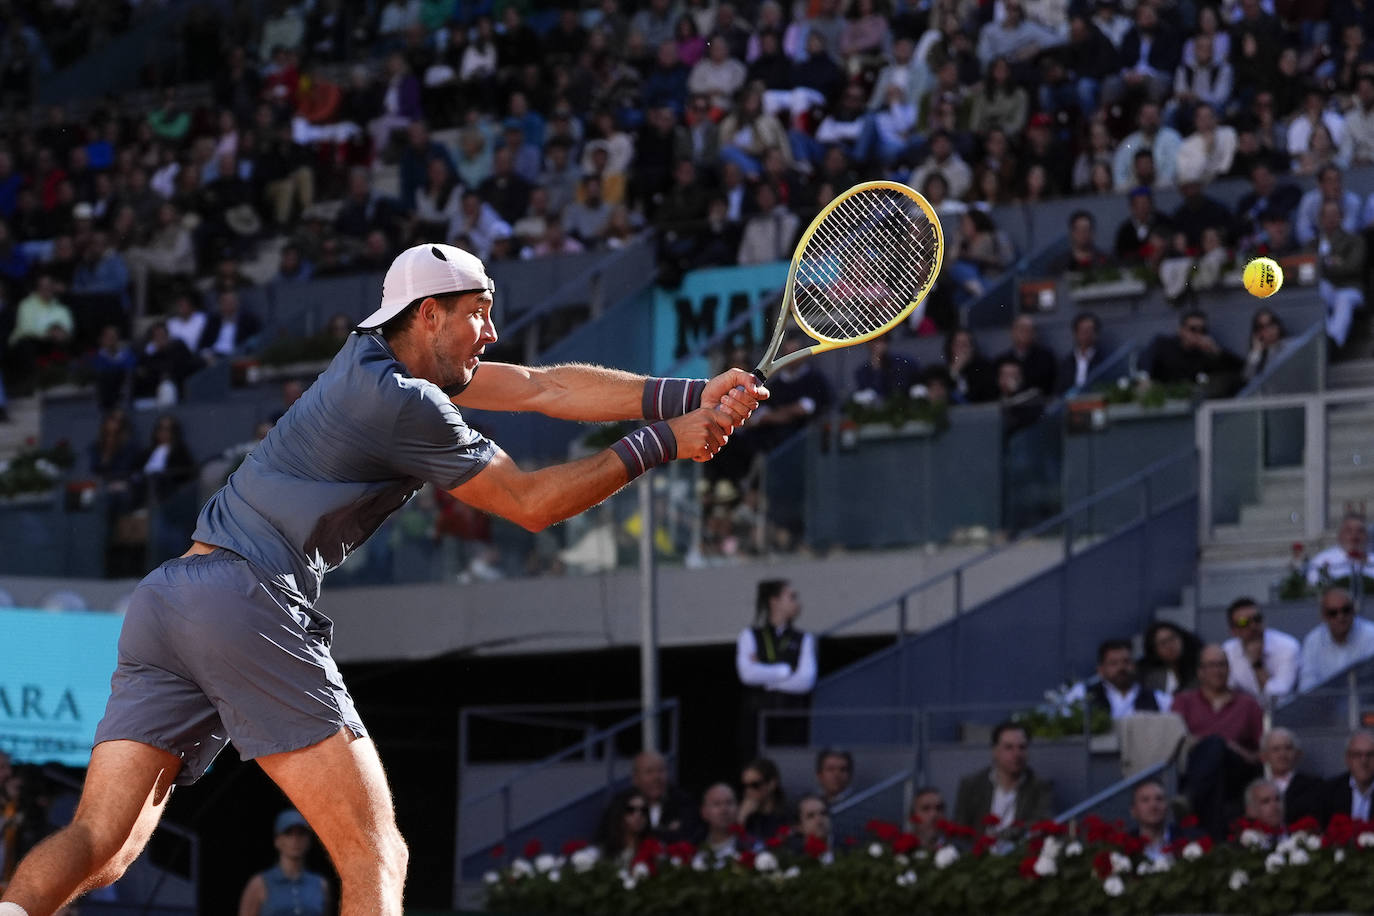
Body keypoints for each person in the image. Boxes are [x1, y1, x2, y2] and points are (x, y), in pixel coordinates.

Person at [0, 242, 763, 916]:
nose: (492, 332)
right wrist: (661, 445)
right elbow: (531, 504)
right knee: (377, 855)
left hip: (168, 599)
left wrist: (688, 396)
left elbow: (541, 386)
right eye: (479, 312)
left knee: (101, 845)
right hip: (244, 600)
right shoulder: (403, 404)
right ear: (429, 315)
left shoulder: (370, 361)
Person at [1170, 645, 1264, 839]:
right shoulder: (1183, 701)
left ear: (1229, 669)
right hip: (1195, 767)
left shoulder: (1248, 703)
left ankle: (1189, 798)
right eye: (1211, 665)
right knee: (1214, 748)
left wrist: (1232, 748)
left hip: (1237, 771)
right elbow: (1175, 740)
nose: (1217, 670)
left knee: (1217, 745)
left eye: (1222, 665)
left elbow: (1261, 753)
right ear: (1200, 672)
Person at [736, 579, 817, 754]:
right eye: (791, 597)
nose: (797, 603)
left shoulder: (804, 638)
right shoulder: (749, 635)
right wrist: (785, 671)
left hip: (792, 720)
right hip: (756, 720)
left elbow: (805, 681)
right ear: (774, 601)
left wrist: (766, 676)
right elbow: (747, 675)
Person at [953, 722, 1053, 834]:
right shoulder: (972, 785)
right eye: (1009, 747)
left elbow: (1041, 825)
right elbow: (959, 830)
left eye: (1022, 747)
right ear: (995, 751)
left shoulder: (1039, 787)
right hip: (979, 850)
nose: (1017, 754)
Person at [237, 809, 330, 916]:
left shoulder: (320, 885)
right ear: (277, 840)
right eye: (288, 833)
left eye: (301, 833)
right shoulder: (259, 884)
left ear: (309, 840)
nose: (295, 839)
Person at [604, 751, 699, 844]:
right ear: (635, 778)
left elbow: (689, 838)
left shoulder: (683, 802)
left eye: (661, 771)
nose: (656, 777)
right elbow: (609, 837)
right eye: (649, 772)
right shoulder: (621, 803)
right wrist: (666, 832)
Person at [1221, 597, 1301, 703]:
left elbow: (1279, 699)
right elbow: (1225, 694)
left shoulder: (1287, 647)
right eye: (1244, 622)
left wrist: (1258, 665)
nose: (1253, 626)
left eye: (1257, 619)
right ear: (1233, 631)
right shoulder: (1227, 651)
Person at [1298, 586, 1374, 691]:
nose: (1340, 617)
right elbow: (1307, 686)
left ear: (1354, 610)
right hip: (1326, 705)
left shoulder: (1371, 635)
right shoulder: (1313, 641)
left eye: (1346, 610)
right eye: (1333, 613)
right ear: (1323, 616)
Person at [1147, 309, 1243, 390]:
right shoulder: (1165, 346)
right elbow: (1147, 361)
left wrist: (1216, 350)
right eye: (1193, 329)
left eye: (1202, 330)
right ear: (1181, 330)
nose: (1197, 334)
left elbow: (1238, 369)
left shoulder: (1204, 355)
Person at [1259, 728, 1326, 826]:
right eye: (1276, 749)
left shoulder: (1315, 786)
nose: (1282, 754)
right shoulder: (1257, 789)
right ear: (1264, 757)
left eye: (1288, 748)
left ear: (1298, 754)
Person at [1087, 639, 1168, 719]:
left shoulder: (1158, 698)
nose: (1121, 667)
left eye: (1126, 661)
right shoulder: (1083, 694)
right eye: (1113, 663)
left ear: (1134, 665)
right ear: (1100, 670)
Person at [1128, 778, 1201, 862]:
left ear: (1167, 806)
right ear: (1133, 811)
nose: (1153, 805)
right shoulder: (1124, 847)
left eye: (1159, 799)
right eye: (1145, 800)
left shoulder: (1191, 839)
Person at [1306, 513, 1374, 587]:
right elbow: (1315, 586)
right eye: (1349, 531)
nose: (1354, 536)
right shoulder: (1321, 561)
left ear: (1367, 536)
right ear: (1340, 535)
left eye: (1360, 531)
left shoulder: (1372, 560)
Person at [1323, 731, 1374, 824]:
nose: (1364, 761)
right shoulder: (1329, 790)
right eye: (1357, 755)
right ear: (1348, 759)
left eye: (1370, 755)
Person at [1140, 621, 1202, 696]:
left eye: (1172, 638)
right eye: (1163, 643)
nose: (1170, 646)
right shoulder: (1151, 678)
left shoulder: (1199, 672)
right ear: (1155, 650)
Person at [694, 784, 753, 860]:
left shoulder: (752, 847)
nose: (724, 810)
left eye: (729, 803)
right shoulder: (692, 849)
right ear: (704, 812)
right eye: (717, 804)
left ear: (738, 808)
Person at [594, 789, 651, 866]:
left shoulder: (654, 848)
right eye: (630, 810)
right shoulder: (602, 852)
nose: (638, 815)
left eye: (644, 810)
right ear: (619, 813)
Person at [737, 758, 788, 841]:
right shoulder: (746, 815)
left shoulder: (786, 815)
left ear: (772, 784)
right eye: (745, 786)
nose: (748, 791)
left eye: (755, 785)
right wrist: (741, 817)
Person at [1057, 312, 1104, 395]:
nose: (1086, 335)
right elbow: (1060, 389)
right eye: (1083, 331)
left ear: (1096, 333)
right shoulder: (1066, 362)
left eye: (1089, 331)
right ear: (1076, 333)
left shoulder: (1104, 360)